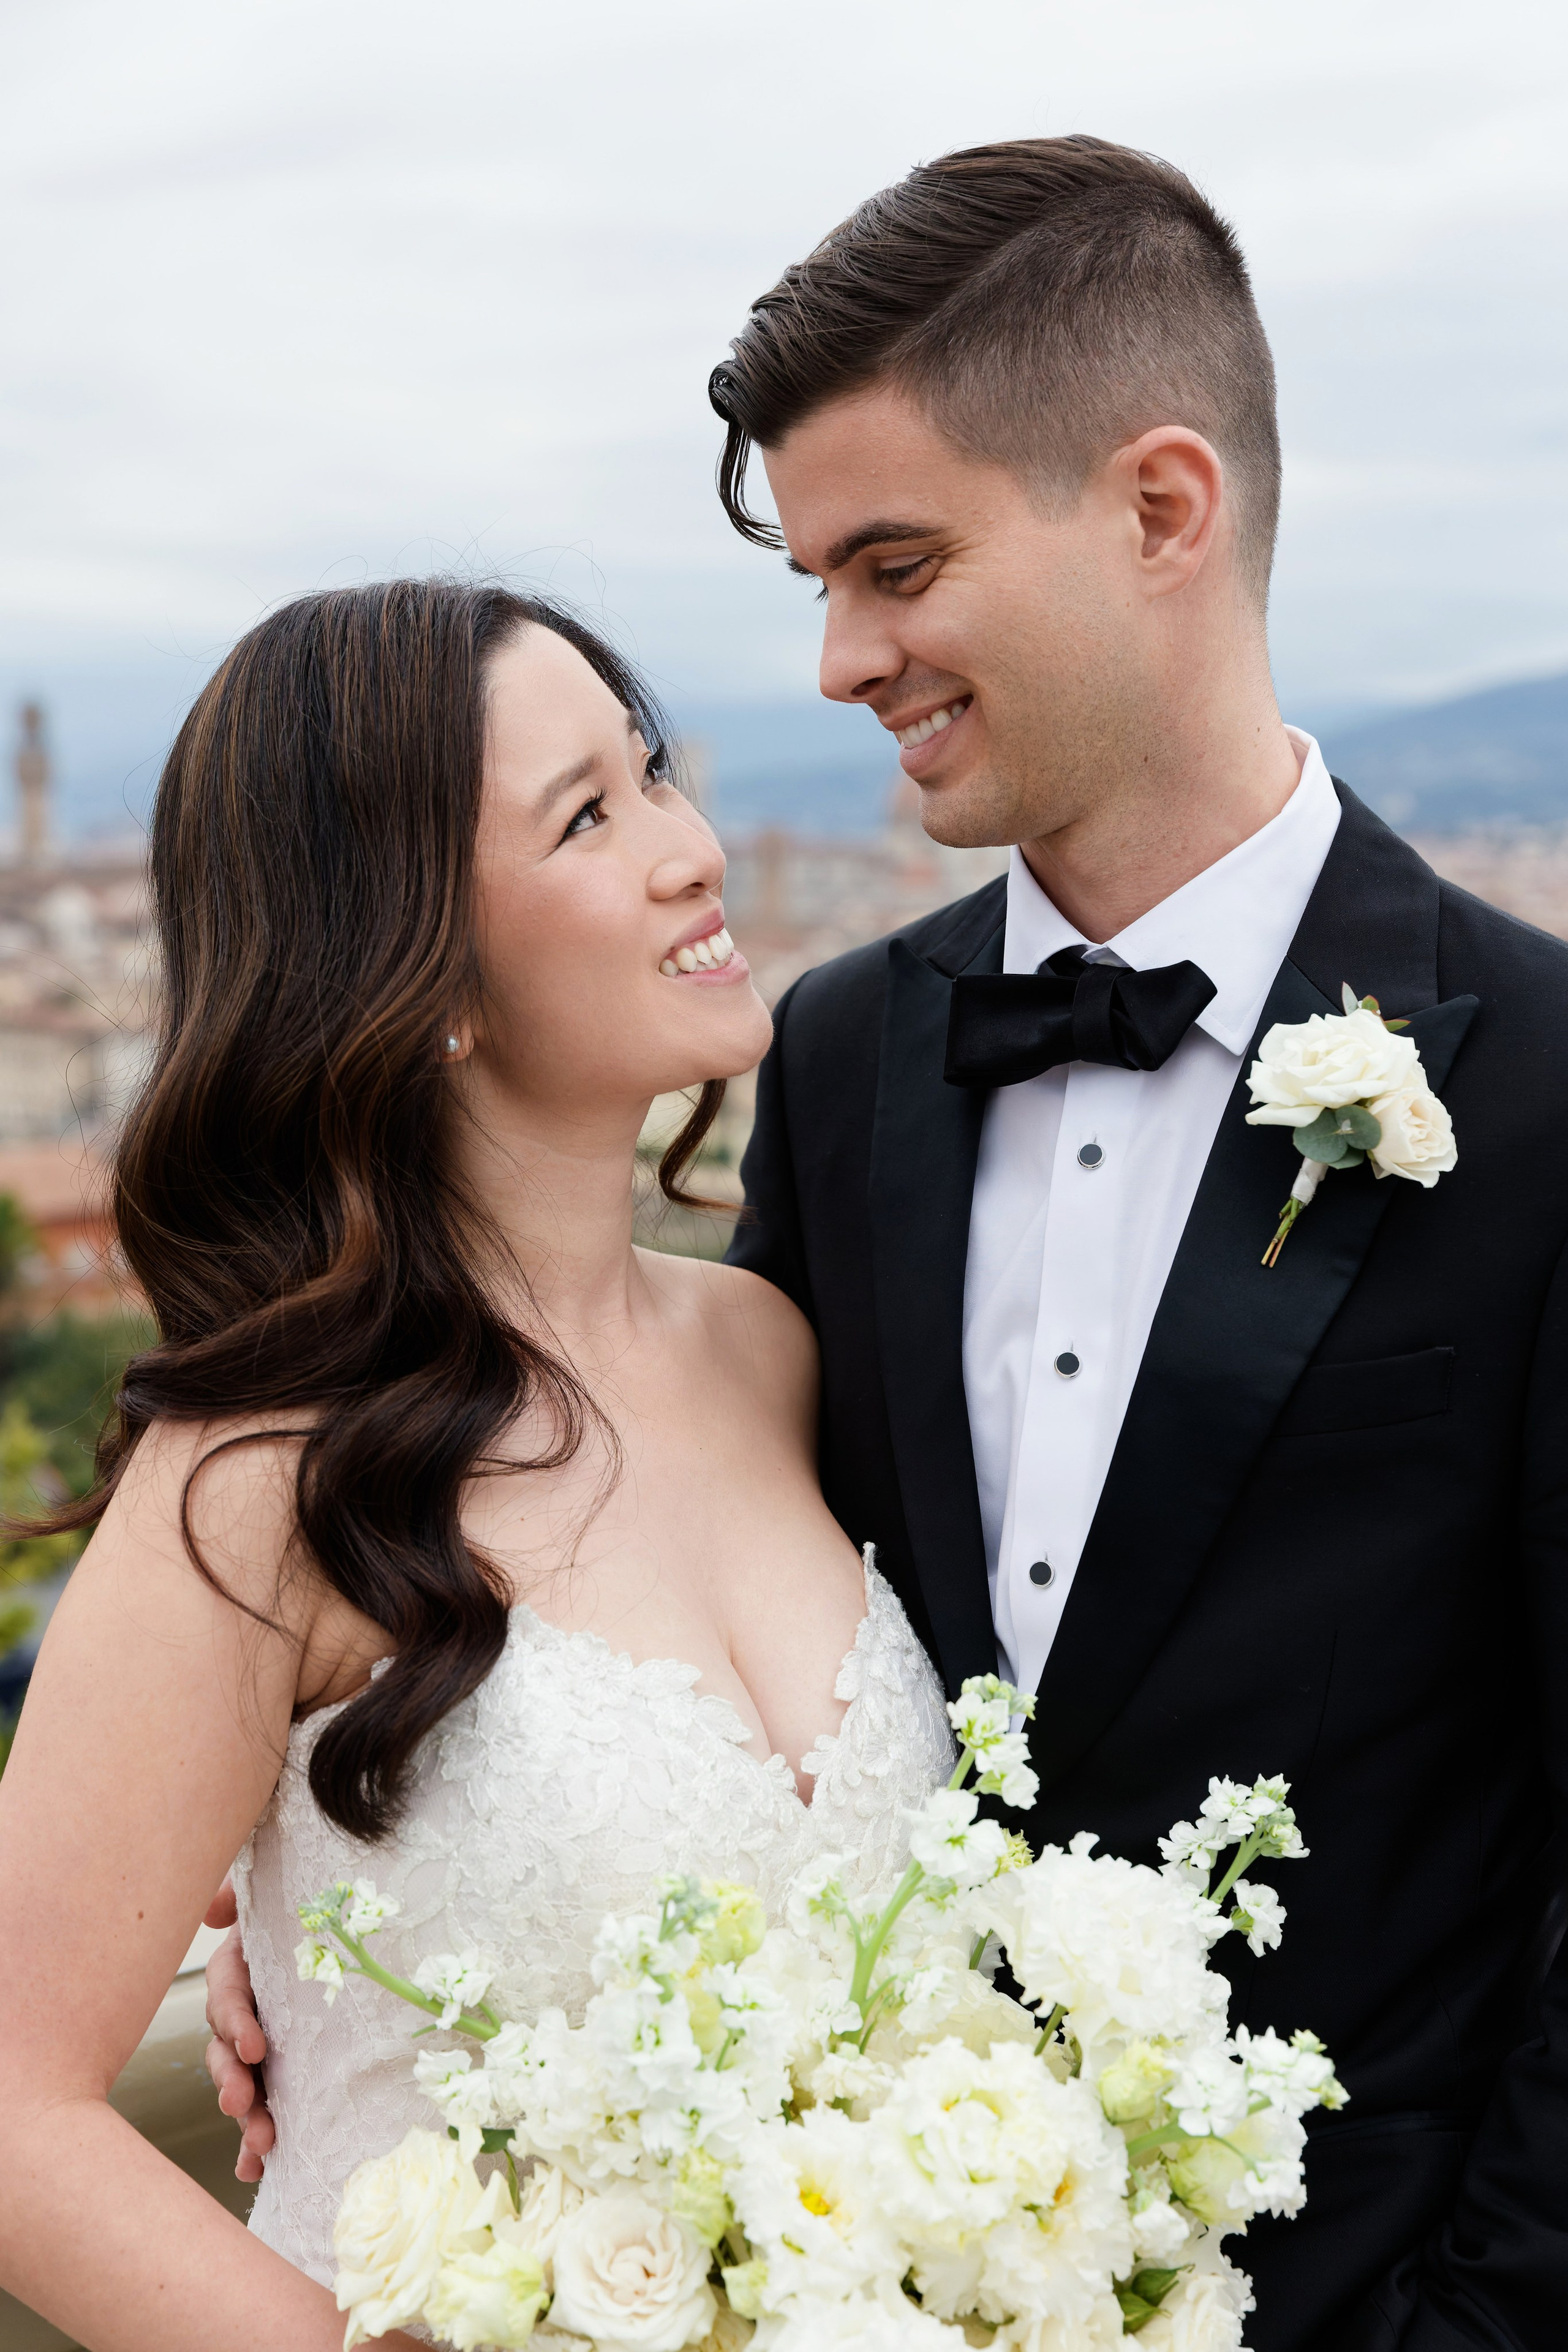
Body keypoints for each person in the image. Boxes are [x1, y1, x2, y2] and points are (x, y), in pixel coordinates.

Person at [704, 137, 1567, 2350]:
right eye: (817, 581)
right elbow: (738, 1628)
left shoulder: (1555, 1073)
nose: (835, 660)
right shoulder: (832, 1057)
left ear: (1164, 509)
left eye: (895, 564)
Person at [0, 580, 954, 2350]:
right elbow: (13, 2107)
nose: (693, 850)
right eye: (591, 817)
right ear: (415, 971)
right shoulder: (262, 1474)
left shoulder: (773, 1354)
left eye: (653, 772)